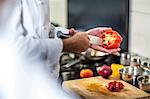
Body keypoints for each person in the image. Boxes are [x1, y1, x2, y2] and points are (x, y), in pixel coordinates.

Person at [1, 0, 120, 78]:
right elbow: (14, 48)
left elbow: (41, 29)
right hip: (21, 85)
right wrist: (67, 44)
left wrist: (79, 37)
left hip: (46, 81)